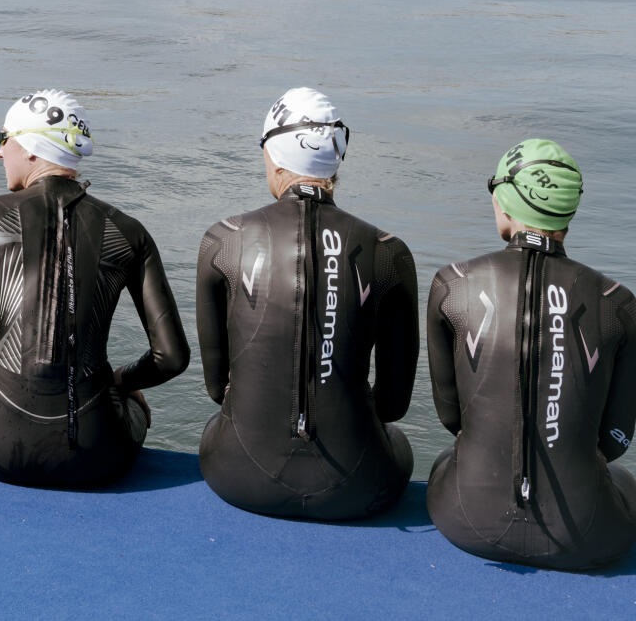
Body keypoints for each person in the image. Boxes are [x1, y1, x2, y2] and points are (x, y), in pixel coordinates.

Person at [0, 90, 189, 488]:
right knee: (130, 401)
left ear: (30, 148)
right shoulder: (129, 231)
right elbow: (171, 357)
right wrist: (122, 382)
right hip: (99, 455)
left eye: (3, 140)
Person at [196, 89, 418, 521]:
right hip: (360, 484)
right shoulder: (389, 252)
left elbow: (215, 389)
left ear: (274, 157)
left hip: (235, 474)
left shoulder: (223, 241)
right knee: (394, 438)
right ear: (337, 158)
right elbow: (393, 406)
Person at [425, 139, 636, 571]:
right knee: (623, 481)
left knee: (450, 459)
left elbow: (452, 420)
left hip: (464, 520)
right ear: (569, 212)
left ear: (504, 203)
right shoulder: (619, 304)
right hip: (592, 535)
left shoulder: (452, 285)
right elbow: (615, 440)